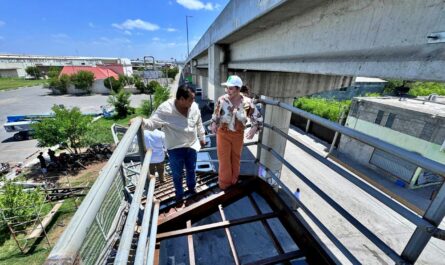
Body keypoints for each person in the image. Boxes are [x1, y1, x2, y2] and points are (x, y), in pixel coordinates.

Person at [134, 84, 206, 200]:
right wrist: (141, 121)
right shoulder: (166, 109)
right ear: (181, 99)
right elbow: (152, 124)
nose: (194, 101)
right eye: (191, 99)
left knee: (191, 170)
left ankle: (192, 189)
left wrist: (202, 137)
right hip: (175, 149)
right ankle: (179, 195)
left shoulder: (194, 107)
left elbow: (199, 123)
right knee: (177, 174)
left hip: (192, 145)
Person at [210, 75, 263, 190]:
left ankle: (234, 181)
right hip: (223, 134)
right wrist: (214, 124)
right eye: (226, 88)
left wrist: (254, 129)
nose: (227, 91)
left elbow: (258, 119)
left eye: (230, 88)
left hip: (238, 135)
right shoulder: (222, 100)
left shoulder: (247, 103)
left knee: (235, 158)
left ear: (238, 89)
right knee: (224, 160)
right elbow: (216, 115)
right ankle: (224, 184)